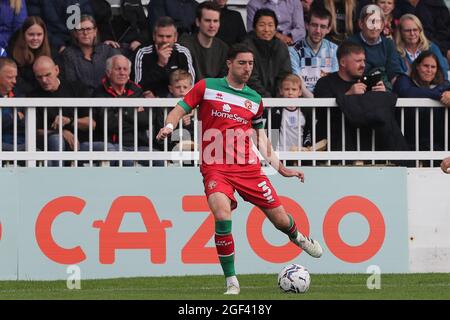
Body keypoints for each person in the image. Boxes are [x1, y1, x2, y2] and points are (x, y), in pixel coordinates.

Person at [156, 43, 323, 295]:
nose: (247, 68)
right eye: (242, 63)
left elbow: (261, 139)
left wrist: (281, 168)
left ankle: (298, 236)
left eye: (251, 64)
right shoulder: (207, 86)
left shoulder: (254, 100)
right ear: (229, 63)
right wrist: (169, 127)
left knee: (279, 220)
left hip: (248, 169)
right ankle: (231, 280)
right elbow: (179, 109)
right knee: (222, 214)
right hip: (215, 167)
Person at [92, 54, 164, 167]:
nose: (122, 72)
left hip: (139, 145)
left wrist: (121, 112)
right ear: (108, 72)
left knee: (160, 160)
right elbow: (109, 124)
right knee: (127, 161)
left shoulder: (136, 90)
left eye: (125, 69)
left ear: (129, 73)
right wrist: (133, 113)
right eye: (118, 69)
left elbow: (146, 120)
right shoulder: (99, 93)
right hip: (114, 145)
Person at [31, 56, 92, 167]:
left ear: (57, 70)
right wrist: (61, 132)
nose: (44, 80)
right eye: (39, 77)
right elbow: (34, 131)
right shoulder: (33, 96)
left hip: (81, 145)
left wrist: (69, 121)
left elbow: (91, 124)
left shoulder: (77, 88)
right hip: (51, 145)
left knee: (109, 149)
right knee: (56, 139)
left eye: (47, 75)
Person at [393, 51, 450, 151]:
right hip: (407, 142)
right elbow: (407, 92)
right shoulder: (403, 80)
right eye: (426, 66)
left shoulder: (444, 84)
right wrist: (439, 95)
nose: (429, 70)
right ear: (417, 66)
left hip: (435, 144)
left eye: (433, 67)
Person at [133, 16, 195, 98]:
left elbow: (190, 84)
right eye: (161, 36)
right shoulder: (142, 53)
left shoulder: (183, 52)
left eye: (168, 36)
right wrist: (160, 64)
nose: (164, 40)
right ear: (154, 36)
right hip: (151, 104)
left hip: (177, 103)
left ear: (175, 37)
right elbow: (138, 87)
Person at [60, 15, 120, 96]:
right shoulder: (68, 54)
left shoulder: (107, 50)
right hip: (82, 102)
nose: (85, 33)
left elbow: (118, 77)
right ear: (75, 34)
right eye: (81, 30)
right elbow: (72, 82)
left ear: (95, 32)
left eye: (89, 29)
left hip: (108, 100)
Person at [348, 4, 403, 90]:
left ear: (382, 26)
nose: (374, 26)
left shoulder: (388, 44)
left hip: (382, 92)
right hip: (357, 92)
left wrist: (387, 89)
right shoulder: (350, 43)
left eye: (377, 22)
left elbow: (394, 74)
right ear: (361, 24)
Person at [243, 8, 292, 98]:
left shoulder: (281, 47)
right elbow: (251, 79)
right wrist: (267, 99)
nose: (266, 29)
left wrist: (277, 101)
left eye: (270, 25)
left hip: (278, 101)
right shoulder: (246, 47)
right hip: (253, 99)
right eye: (262, 25)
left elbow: (285, 75)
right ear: (254, 27)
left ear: (275, 28)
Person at [289, 6, 338, 93]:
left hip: (327, 100)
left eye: (323, 27)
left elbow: (335, 82)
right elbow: (298, 83)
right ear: (307, 25)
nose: (318, 31)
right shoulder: (294, 50)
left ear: (328, 29)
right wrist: (313, 103)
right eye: (314, 25)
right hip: (303, 101)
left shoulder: (334, 50)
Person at [178, 1, 228, 81]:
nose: (212, 25)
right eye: (207, 20)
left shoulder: (223, 48)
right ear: (198, 22)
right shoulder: (185, 45)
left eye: (215, 21)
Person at [395, 14, 449, 80]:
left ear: (420, 31)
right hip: (408, 89)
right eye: (407, 31)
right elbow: (398, 80)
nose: (412, 34)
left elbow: (443, 75)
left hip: (433, 88)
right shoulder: (395, 51)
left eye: (415, 30)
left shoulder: (432, 48)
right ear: (400, 32)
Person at [9, 16, 54, 95]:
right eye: (31, 34)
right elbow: (16, 81)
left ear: (44, 35)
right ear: (23, 35)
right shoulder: (13, 52)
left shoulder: (52, 51)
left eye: (39, 34)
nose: (35, 38)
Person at [276, 74, 312, 153]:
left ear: (300, 92)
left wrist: (307, 146)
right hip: (280, 154)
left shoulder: (305, 112)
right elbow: (272, 132)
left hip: (299, 155)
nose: (290, 92)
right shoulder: (276, 112)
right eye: (286, 89)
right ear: (281, 91)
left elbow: (308, 133)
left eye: (294, 89)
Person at [0, 57, 25, 152]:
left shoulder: (19, 95)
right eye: (10, 77)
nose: (14, 81)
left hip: (23, 144)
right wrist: (16, 117)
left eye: (15, 77)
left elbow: (28, 123)